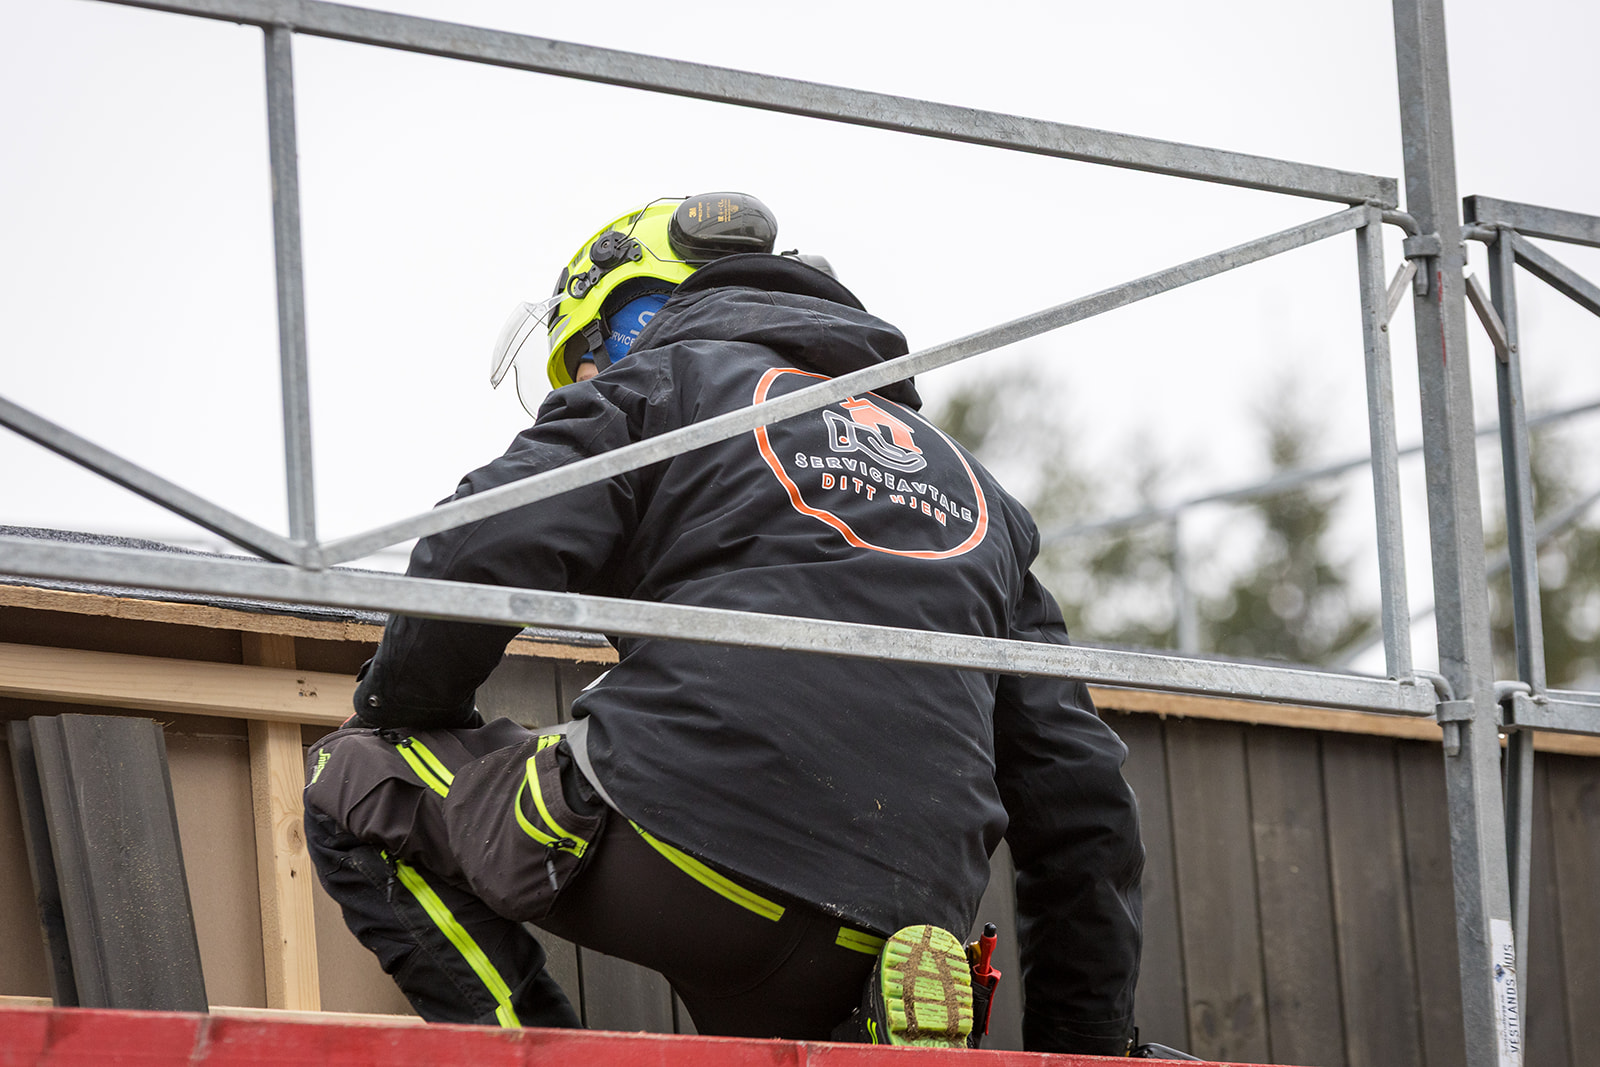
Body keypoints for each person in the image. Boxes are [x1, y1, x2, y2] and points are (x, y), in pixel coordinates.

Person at [304, 192, 1144, 1054]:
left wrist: (403, 710)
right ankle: (864, 1034)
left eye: (588, 355)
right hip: (896, 917)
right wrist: (1088, 1045)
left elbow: (480, 542)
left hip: (682, 839)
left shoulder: (668, 385)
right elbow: (1082, 801)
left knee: (354, 781)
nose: (585, 383)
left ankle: (534, 1050)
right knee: (792, 1020)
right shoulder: (982, 497)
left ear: (637, 319)